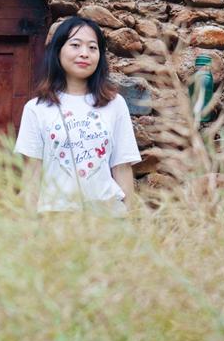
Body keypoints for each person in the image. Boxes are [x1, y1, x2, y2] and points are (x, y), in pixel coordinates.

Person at [13, 15, 142, 217]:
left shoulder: (114, 104)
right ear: (58, 51)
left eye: (92, 47)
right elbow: (32, 174)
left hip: (108, 217)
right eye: (75, 45)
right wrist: (29, 225)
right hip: (55, 219)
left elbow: (122, 166)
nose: (84, 54)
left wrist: (130, 217)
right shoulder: (36, 109)